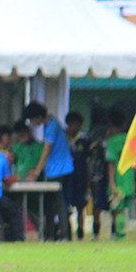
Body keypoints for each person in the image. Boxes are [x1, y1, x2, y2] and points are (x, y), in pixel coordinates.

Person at [24, 101, 73, 240]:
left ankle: (64, 235)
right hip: (60, 168)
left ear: (37, 116)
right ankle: (51, 234)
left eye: (32, 119)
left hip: (58, 170)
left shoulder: (51, 128)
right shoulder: (52, 123)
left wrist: (35, 174)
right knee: (52, 204)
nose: (33, 123)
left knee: (58, 203)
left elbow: (46, 152)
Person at [104, 111, 135, 241]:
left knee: (117, 209)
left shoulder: (111, 141)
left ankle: (120, 236)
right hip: (129, 178)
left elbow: (111, 163)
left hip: (118, 178)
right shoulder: (130, 139)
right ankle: (121, 235)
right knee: (123, 210)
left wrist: (111, 183)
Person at [64, 111, 90, 240]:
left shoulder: (83, 141)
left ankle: (80, 233)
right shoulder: (62, 140)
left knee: (81, 206)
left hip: (80, 177)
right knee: (66, 206)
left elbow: (87, 161)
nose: (76, 128)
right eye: (73, 125)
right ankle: (67, 232)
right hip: (68, 178)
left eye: (78, 125)